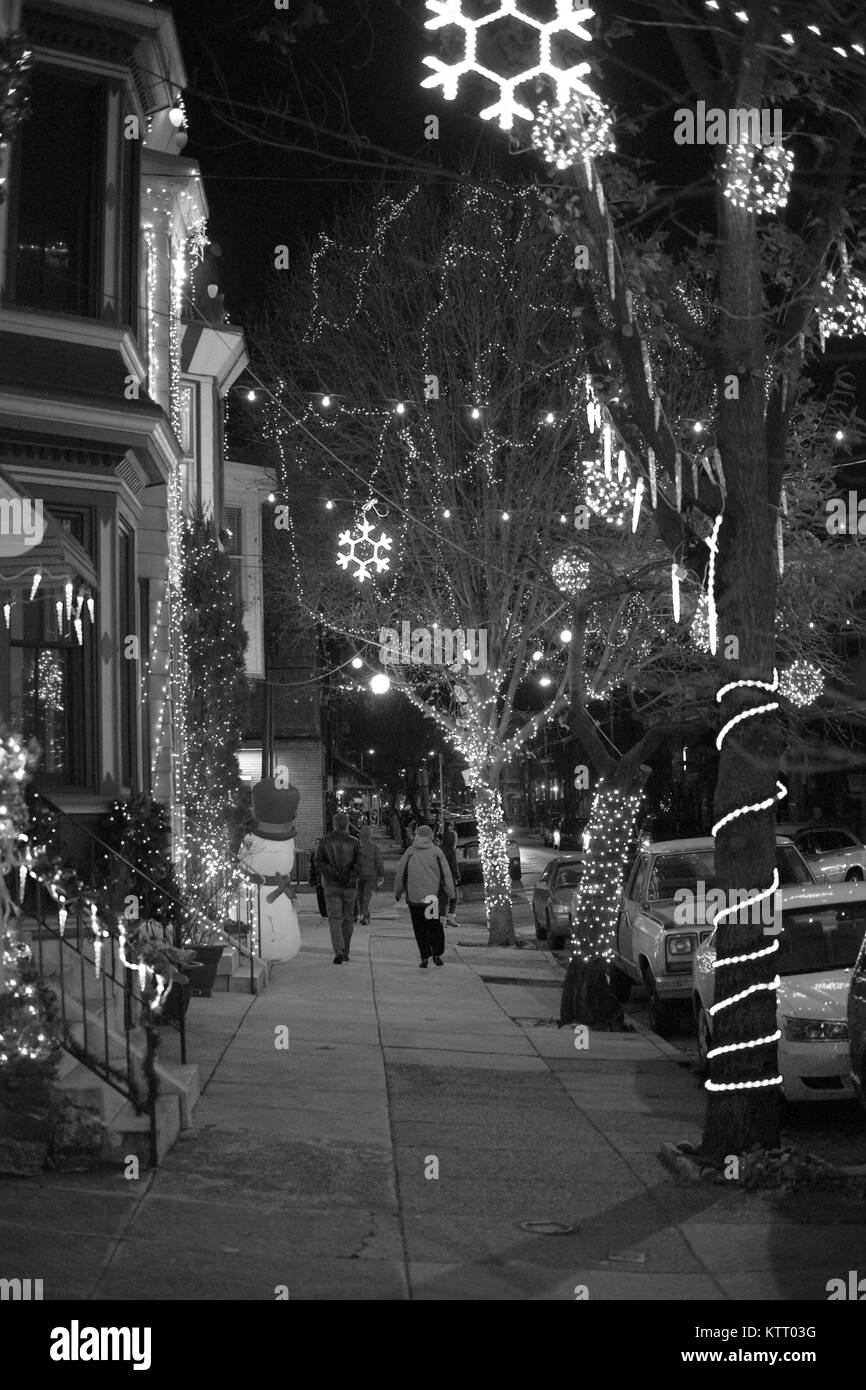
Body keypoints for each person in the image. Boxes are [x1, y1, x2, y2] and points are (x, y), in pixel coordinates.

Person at [237, 777, 302, 963]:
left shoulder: (252, 837)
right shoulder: (284, 839)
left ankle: (269, 947)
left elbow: (242, 858)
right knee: (269, 921)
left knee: (270, 921)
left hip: (263, 890)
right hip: (261, 890)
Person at [394, 824, 455, 968]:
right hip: (431, 898)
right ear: (431, 836)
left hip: (414, 899)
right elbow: (446, 874)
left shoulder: (410, 852)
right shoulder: (436, 852)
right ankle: (437, 953)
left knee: (419, 928)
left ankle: (424, 956)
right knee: (434, 926)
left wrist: (398, 892)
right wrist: (450, 893)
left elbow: (400, 874)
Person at [315, 811, 363, 963]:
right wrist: (349, 877)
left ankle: (338, 950)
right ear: (348, 823)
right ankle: (346, 950)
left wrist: (334, 874)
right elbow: (359, 864)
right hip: (349, 886)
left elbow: (319, 862)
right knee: (348, 919)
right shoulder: (355, 842)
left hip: (331, 885)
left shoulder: (324, 842)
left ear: (334, 824)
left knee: (334, 919)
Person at [356, 823, 385, 925]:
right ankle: (365, 915)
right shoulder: (374, 847)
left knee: (360, 895)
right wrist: (381, 875)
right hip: (370, 875)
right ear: (369, 835)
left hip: (358, 875)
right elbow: (379, 862)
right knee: (366, 896)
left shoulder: (356, 846)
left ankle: (362, 914)